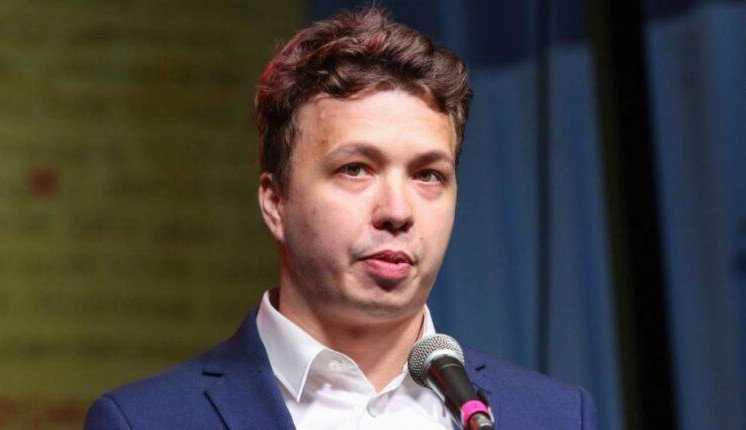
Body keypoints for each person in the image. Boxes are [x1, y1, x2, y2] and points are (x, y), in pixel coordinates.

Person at [84, 8, 598, 429]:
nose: (398, 212)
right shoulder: (146, 421)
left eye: (428, 175)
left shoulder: (553, 416)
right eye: (356, 169)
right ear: (275, 202)